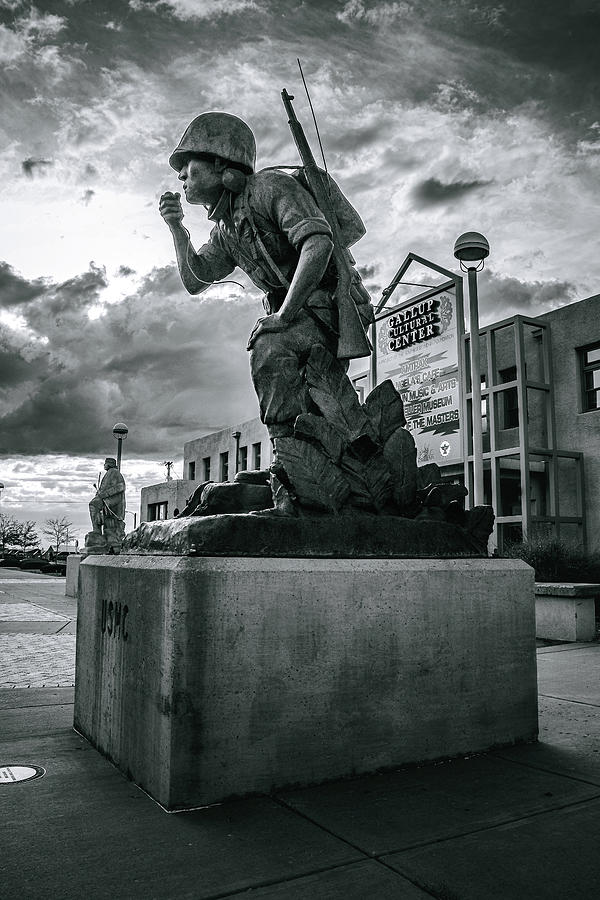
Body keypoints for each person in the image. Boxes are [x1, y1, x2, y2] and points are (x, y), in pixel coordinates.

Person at [159, 112, 373, 449]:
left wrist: (283, 316)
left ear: (220, 163)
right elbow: (196, 279)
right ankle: (297, 456)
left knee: (270, 347)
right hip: (299, 313)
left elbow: (317, 243)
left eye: (189, 165)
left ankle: (288, 454)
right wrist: (177, 229)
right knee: (298, 381)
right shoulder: (226, 228)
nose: (182, 176)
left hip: (331, 302)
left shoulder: (270, 187)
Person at [89, 457, 126, 535]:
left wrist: (104, 494)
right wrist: (98, 494)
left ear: (109, 464)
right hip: (107, 498)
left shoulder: (115, 472)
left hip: (114, 500)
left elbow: (121, 487)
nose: (104, 465)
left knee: (93, 504)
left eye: (105, 463)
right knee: (94, 503)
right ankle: (97, 525)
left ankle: (97, 530)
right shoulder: (109, 473)